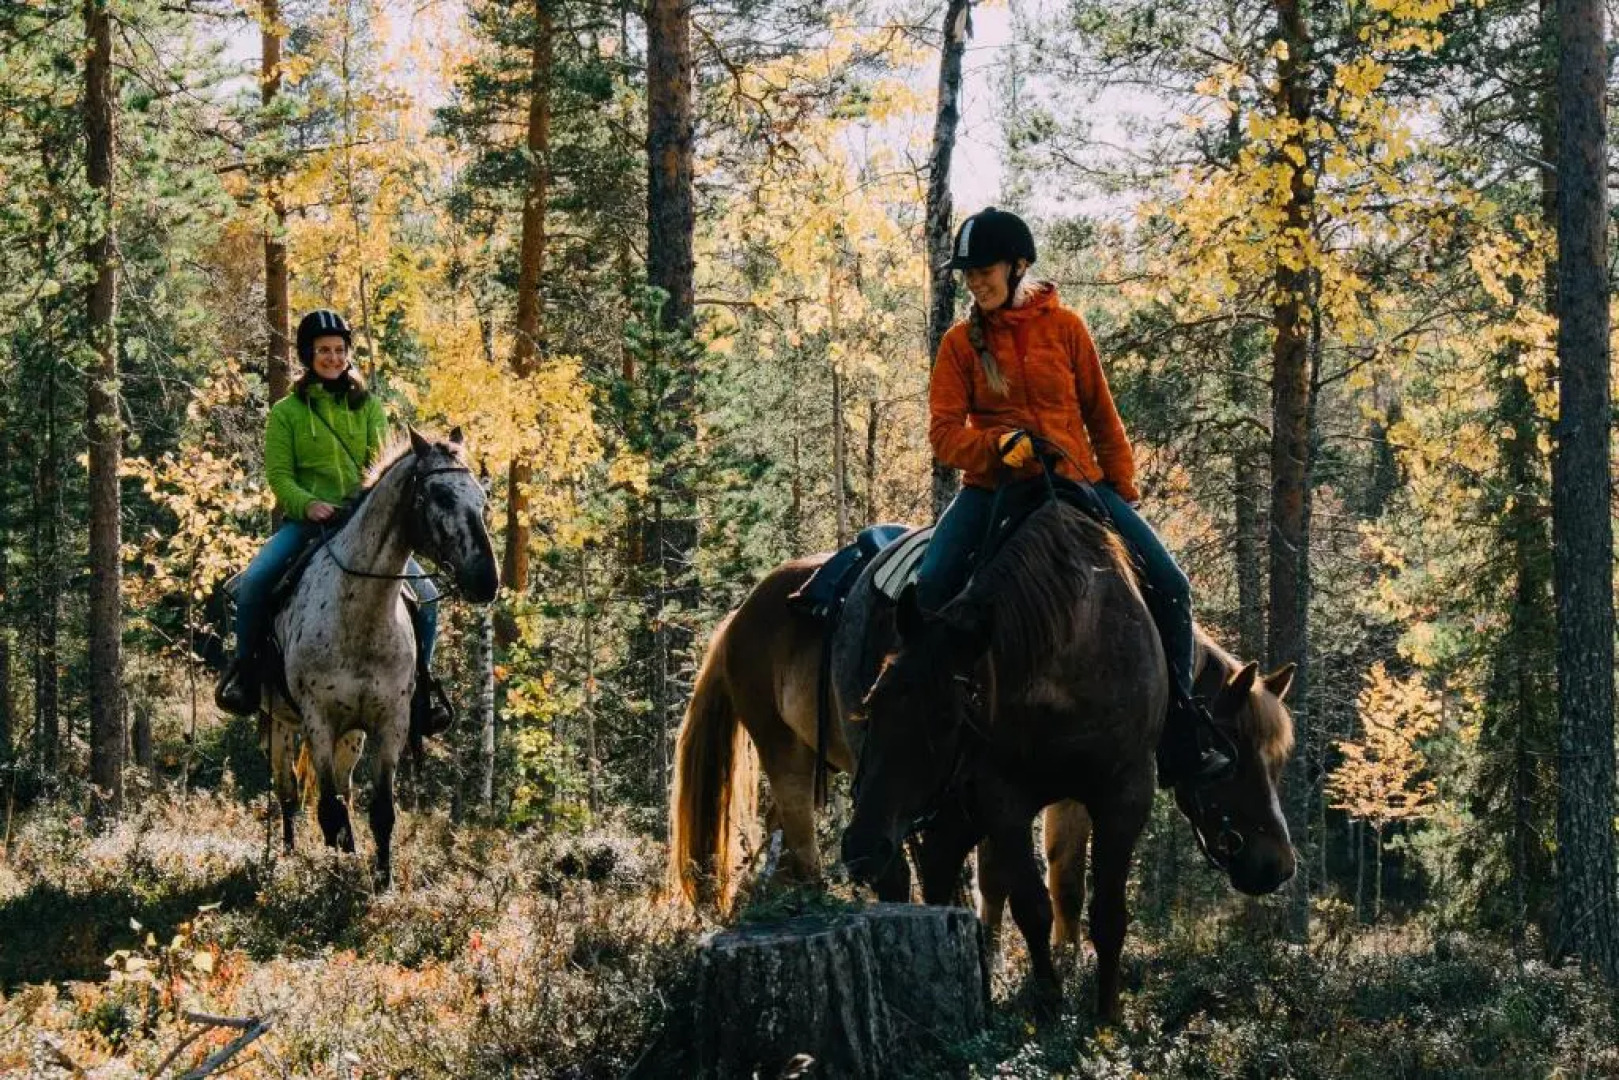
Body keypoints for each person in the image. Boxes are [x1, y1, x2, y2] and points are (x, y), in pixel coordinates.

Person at [917, 207, 1231, 787]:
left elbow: (1102, 417)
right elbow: (942, 436)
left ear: (1017, 266)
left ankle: (1177, 728)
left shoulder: (1067, 328)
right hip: (994, 489)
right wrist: (994, 446)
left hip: (1077, 482)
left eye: (983, 268)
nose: (974, 281)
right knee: (932, 584)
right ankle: (924, 731)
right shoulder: (961, 344)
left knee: (1172, 584)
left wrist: (1123, 492)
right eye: (967, 273)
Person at [214, 309, 452, 736]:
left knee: (428, 596)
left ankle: (422, 688)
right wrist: (307, 504)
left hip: (364, 527)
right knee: (252, 586)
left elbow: (378, 470)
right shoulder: (287, 412)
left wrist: (365, 510)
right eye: (324, 351)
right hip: (307, 525)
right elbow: (280, 476)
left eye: (339, 350)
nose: (333, 357)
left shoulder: (369, 408)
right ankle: (245, 676)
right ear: (309, 355)